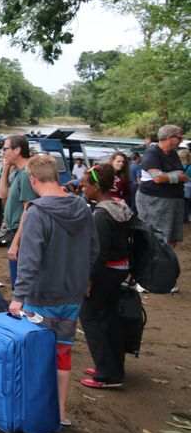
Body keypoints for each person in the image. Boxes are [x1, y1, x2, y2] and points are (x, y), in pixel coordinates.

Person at [10, 154, 98, 427]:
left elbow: (29, 259)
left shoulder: (36, 212)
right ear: (57, 177)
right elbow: (94, 249)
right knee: (63, 351)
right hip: (71, 295)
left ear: (33, 180)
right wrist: (85, 280)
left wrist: (18, 297)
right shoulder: (82, 207)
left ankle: (36, 411)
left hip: (41, 296)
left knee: (37, 353)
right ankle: (59, 412)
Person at [79, 163, 132, 389]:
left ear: (95, 187)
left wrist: (88, 281)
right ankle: (113, 367)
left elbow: (98, 253)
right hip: (120, 268)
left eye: (85, 186)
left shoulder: (101, 215)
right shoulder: (119, 206)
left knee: (90, 317)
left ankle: (107, 375)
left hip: (105, 272)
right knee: (109, 318)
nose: (83, 190)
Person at [137, 124, 187, 254]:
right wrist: (177, 176)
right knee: (158, 236)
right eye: (180, 138)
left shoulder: (174, 154)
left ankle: (166, 263)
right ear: (170, 137)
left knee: (173, 236)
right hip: (155, 202)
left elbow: (181, 175)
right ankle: (154, 265)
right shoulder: (152, 153)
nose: (181, 140)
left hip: (174, 200)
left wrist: (170, 176)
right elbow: (158, 179)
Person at [0, 134, 38, 287]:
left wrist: (15, 243)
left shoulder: (26, 174)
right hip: (13, 231)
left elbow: (28, 210)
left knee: (20, 283)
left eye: (5, 149)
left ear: (17, 150)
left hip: (20, 234)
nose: (3, 152)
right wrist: (6, 168)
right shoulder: (17, 172)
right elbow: (2, 194)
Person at [179, 148, 191, 224]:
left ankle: (182, 218)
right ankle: (185, 218)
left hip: (180, 187)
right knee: (187, 204)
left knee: (181, 204)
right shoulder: (190, 167)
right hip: (189, 188)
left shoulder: (179, 166)